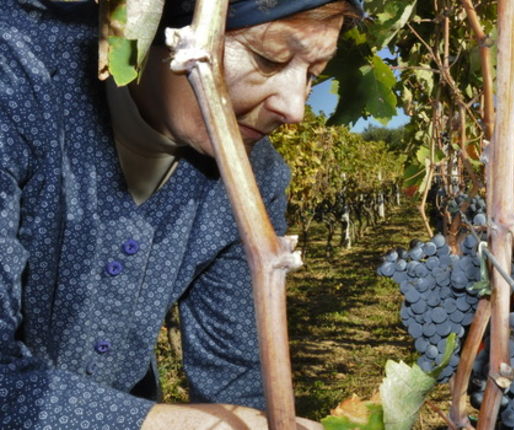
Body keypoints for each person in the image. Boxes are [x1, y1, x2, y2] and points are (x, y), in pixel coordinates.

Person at [0, 0, 360, 429]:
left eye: (313, 75)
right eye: (269, 58)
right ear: (162, 23)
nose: (294, 108)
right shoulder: (16, 77)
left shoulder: (255, 179)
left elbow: (234, 379)